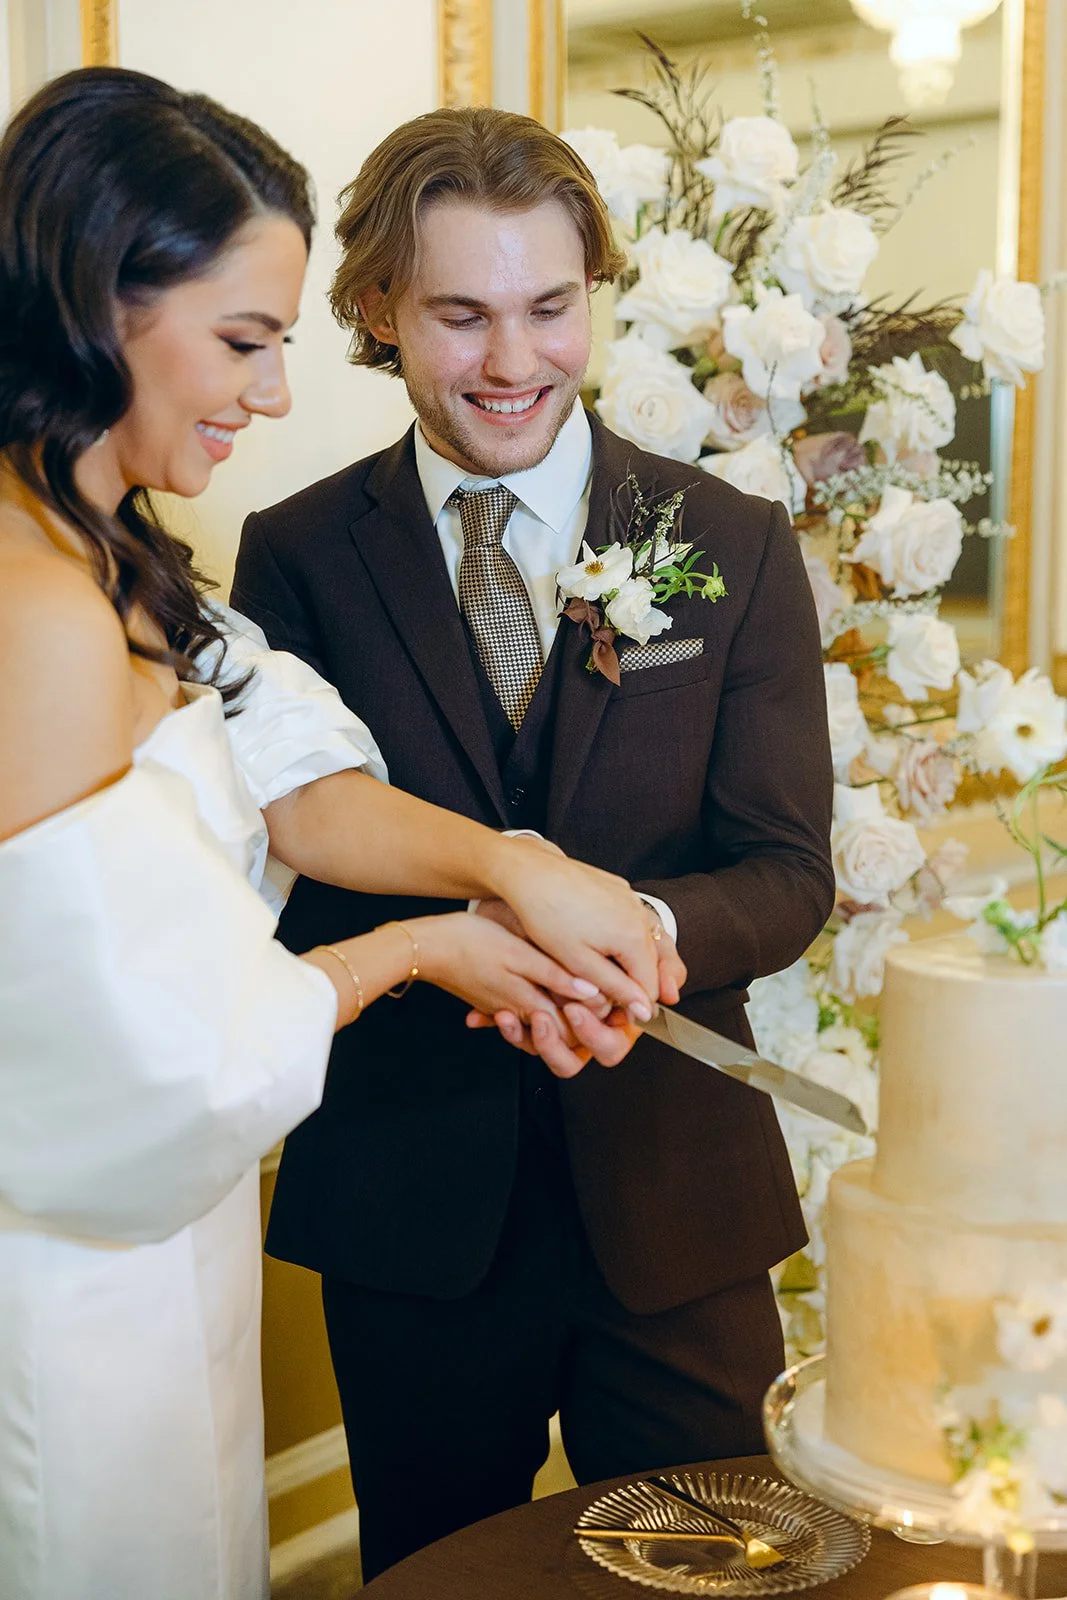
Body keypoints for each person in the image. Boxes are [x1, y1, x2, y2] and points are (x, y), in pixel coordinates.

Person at [0, 72, 670, 1600]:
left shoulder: (116, 551)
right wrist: (431, 947)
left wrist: (514, 869)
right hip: (74, 1273)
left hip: (173, 1258)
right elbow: (143, 1065)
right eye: (243, 342)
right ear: (95, 304)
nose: (275, 394)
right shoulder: (33, 610)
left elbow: (295, 775)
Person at [231, 105, 836, 1582]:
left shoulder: (729, 539)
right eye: (460, 314)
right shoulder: (295, 554)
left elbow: (783, 871)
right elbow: (289, 873)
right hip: (411, 1203)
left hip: (677, 1206)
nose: (513, 363)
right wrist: (478, 952)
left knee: (730, 1574)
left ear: (592, 296)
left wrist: (620, 935)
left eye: (549, 308)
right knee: (441, 1574)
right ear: (378, 309)